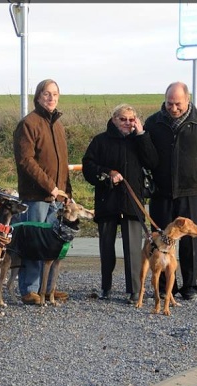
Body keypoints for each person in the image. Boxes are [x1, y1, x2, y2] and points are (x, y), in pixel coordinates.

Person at [144, 81, 197, 301]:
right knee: (161, 240)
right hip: (161, 193)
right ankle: (163, 286)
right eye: (169, 103)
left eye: (177, 104)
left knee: (191, 242)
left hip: (192, 192)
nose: (173, 108)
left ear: (187, 100)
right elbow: (144, 153)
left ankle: (189, 286)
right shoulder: (153, 123)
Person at [82, 104, 158, 302]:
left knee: (133, 249)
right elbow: (88, 167)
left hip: (132, 202)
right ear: (114, 119)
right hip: (107, 201)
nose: (127, 123)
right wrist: (108, 173)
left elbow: (152, 162)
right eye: (123, 119)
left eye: (131, 119)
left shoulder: (140, 139)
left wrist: (141, 134)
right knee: (106, 248)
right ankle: (105, 287)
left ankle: (134, 290)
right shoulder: (100, 140)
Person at [13, 79, 72, 306]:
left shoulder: (57, 125)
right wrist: (51, 187)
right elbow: (26, 161)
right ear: (38, 97)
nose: (51, 98)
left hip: (56, 197)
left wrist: (66, 191)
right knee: (33, 242)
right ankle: (30, 289)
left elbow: (62, 162)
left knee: (50, 244)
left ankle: (47, 288)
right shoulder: (28, 124)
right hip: (35, 196)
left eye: (55, 94)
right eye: (46, 94)